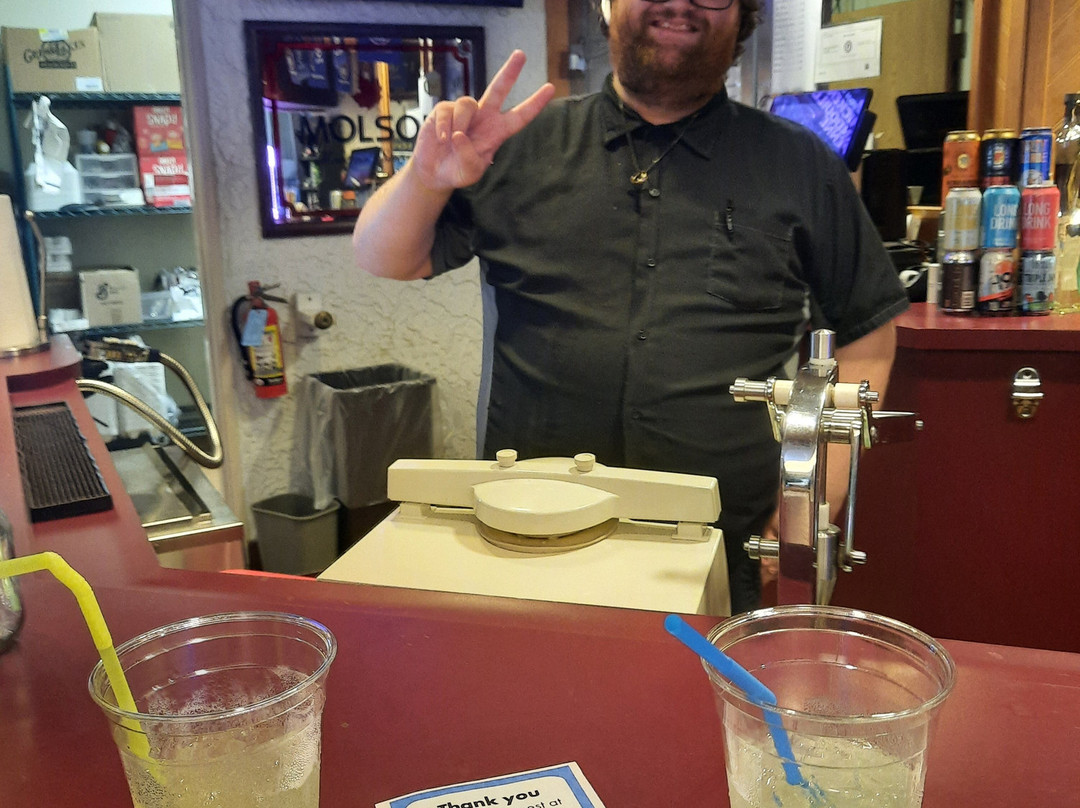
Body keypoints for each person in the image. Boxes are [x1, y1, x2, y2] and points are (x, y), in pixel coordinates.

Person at [352, 0, 909, 612]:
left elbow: (868, 337)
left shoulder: (799, 164)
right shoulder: (517, 145)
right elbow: (385, 256)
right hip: (527, 531)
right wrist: (425, 179)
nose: (681, 2)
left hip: (724, 542)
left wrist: (813, 496)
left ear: (744, 15)